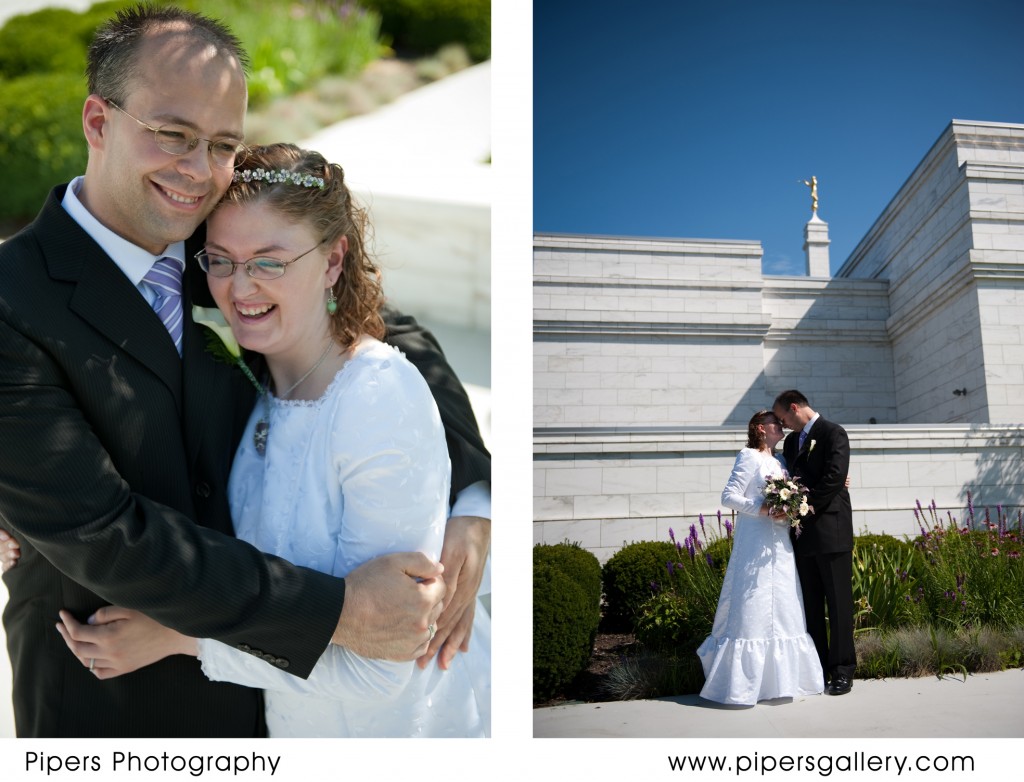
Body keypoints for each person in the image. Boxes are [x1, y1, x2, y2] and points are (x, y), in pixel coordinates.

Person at [0, 5, 489, 737]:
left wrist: (476, 498)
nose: (197, 170)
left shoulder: (215, 237)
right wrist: (344, 611)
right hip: (115, 686)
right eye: (172, 135)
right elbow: (106, 531)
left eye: (222, 143)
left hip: (275, 698)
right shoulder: (15, 297)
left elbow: (379, 328)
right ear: (97, 122)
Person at [697, 410, 824, 705]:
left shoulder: (779, 461)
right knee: (752, 603)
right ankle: (745, 685)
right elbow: (728, 496)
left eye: (781, 422)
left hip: (780, 542)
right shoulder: (748, 456)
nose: (781, 425)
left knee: (785, 603)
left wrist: (791, 506)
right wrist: (763, 509)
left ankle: (782, 682)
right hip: (755, 540)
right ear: (759, 428)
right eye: (775, 422)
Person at [772, 389, 855, 696]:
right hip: (803, 537)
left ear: (795, 408)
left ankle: (843, 670)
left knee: (839, 606)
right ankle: (817, 667)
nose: (784, 426)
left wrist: (799, 506)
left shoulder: (834, 433)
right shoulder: (793, 442)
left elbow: (834, 478)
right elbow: (788, 478)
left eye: (784, 418)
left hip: (832, 532)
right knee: (811, 606)